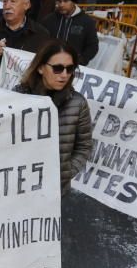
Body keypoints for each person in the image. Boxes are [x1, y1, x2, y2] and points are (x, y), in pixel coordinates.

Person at [14, 40, 92, 194]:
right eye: (57, 68)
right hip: (18, 188)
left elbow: (84, 147)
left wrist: (64, 174)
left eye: (70, 69)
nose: (64, 75)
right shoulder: (17, 96)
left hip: (55, 191)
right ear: (41, 68)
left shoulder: (78, 103)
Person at [39, 0, 99, 66]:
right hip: (50, 64)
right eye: (59, 1)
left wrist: (81, 61)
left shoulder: (87, 22)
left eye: (65, 1)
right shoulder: (49, 19)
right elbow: (40, 39)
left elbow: (93, 46)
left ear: (74, 2)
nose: (61, 4)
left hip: (73, 67)